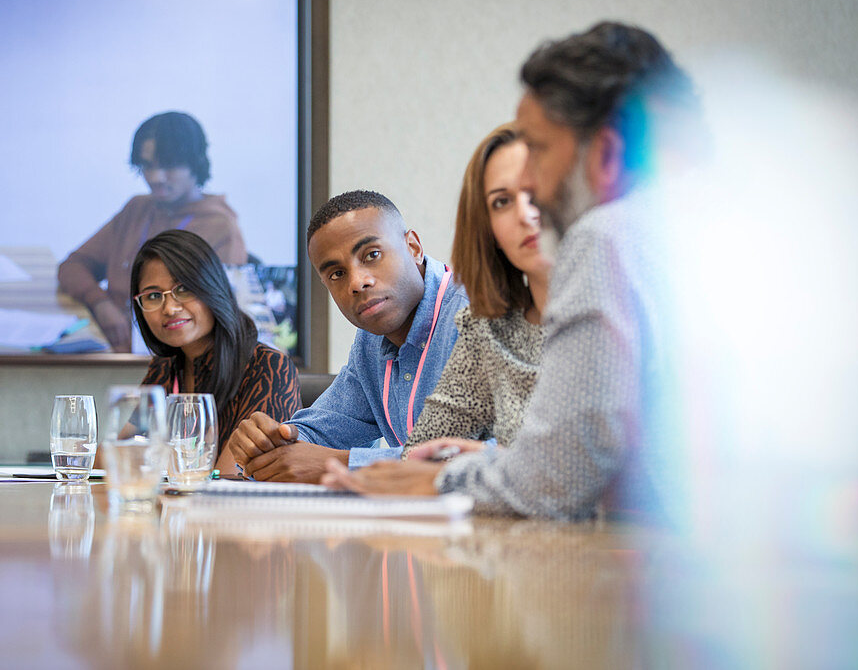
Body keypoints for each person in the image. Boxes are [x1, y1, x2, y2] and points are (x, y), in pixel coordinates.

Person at [323, 21, 706, 519]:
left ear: (608, 156)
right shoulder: (701, 232)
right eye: (502, 200)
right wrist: (494, 461)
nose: (531, 189)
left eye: (540, 153)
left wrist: (450, 475)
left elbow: (553, 478)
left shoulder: (606, 240)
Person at [227, 190, 469, 483]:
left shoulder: (477, 312)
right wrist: (268, 442)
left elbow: (505, 458)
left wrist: (341, 463)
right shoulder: (371, 342)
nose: (357, 282)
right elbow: (326, 430)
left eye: (372, 255)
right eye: (337, 274)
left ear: (414, 247)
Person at [402, 123, 551, 453]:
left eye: (536, 190)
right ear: (489, 231)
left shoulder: (628, 308)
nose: (525, 215)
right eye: (502, 202)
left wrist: (489, 459)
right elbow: (423, 454)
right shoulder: (490, 328)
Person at [58, 111, 247, 352]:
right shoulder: (138, 208)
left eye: (168, 165)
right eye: (147, 165)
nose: (155, 177)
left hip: (167, 357)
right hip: (110, 345)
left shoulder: (220, 227)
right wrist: (101, 303)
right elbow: (73, 266)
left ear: (195, 163)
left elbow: (218, 325)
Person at [130, 229, 300, 472]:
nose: (169, 308)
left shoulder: (268, 367)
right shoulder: (164, 366)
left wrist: (150, 460)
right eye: (154, 296)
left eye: (184, 289)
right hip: (172, 507)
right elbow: (113, 453)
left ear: (212, 287)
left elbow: (232, 478)